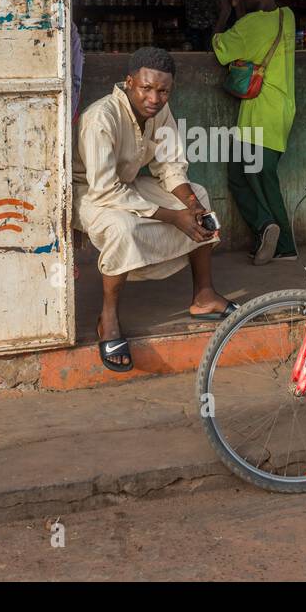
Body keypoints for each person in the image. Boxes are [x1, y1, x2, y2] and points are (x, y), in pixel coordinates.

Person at [73, 47, 236, 372]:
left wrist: (190, 206)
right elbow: (105, 189)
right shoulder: (101, 118)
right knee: (122, 228)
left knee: (199, 195)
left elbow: (170, 166)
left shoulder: (159, 112)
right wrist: (174, 217)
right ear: (129, 83)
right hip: (89, 192)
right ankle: (108, 319)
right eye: (147, 88)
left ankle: (204, 295)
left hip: (127, 186)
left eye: (163, 91)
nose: (155, 97)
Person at [212, 0, 297, 265]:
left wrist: (225, 10)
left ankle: (283, 242)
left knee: (261, 179)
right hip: (280, 110)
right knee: (240, 175)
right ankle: (267, 228)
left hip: (261, 114)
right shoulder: (287, 16)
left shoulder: (249, 27)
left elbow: (221, 47)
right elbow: (247, 38)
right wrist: (240, 8)